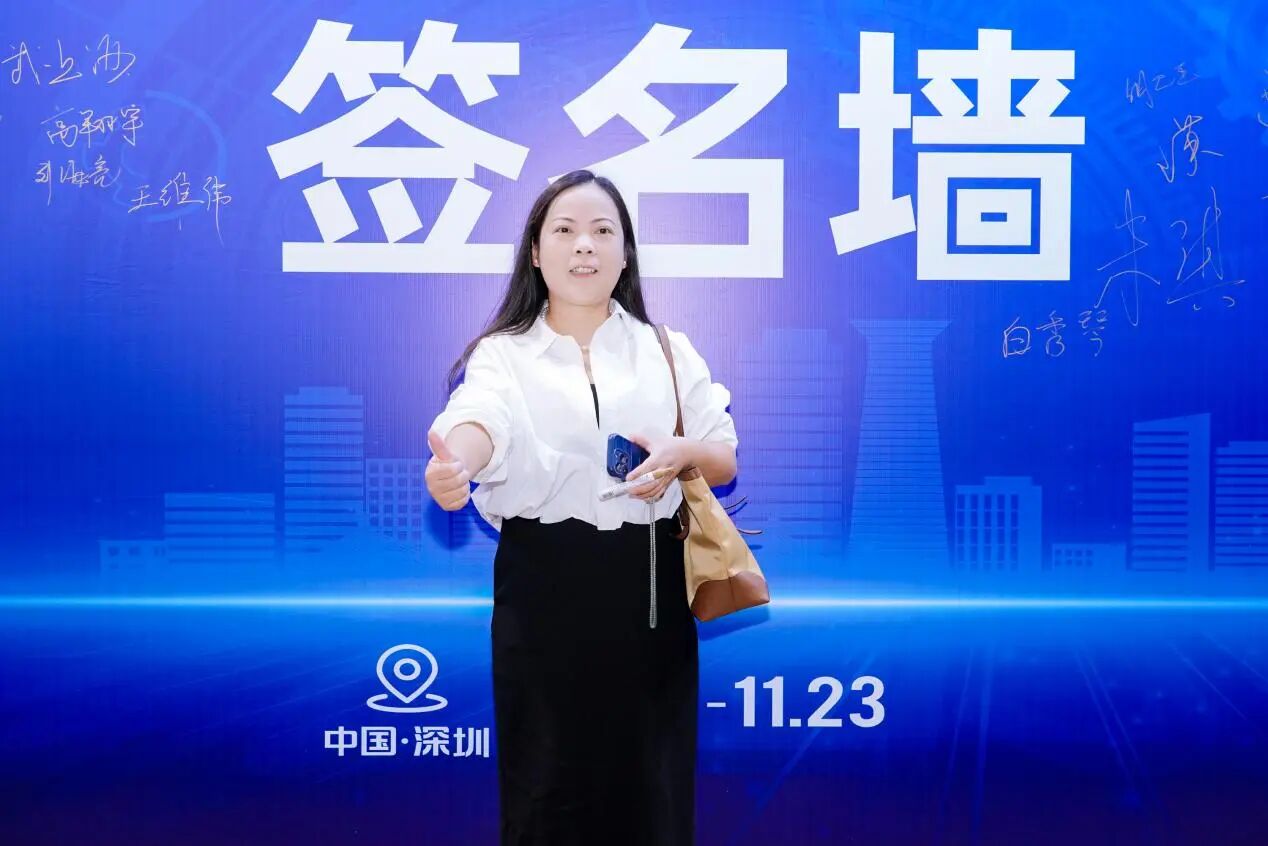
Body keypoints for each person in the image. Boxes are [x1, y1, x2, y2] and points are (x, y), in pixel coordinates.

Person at [425, 169, 739, 846]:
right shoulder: (503, 355)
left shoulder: (667, 349)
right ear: (536, 253)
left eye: (603, 231)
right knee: (547, 790)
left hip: (648, 586)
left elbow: (722, 457)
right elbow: (478, 422)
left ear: (626, 254)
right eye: (564, 230)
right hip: (544, 586)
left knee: (650, 791)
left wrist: (680, 452)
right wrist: (457, 465)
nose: (584, 246)